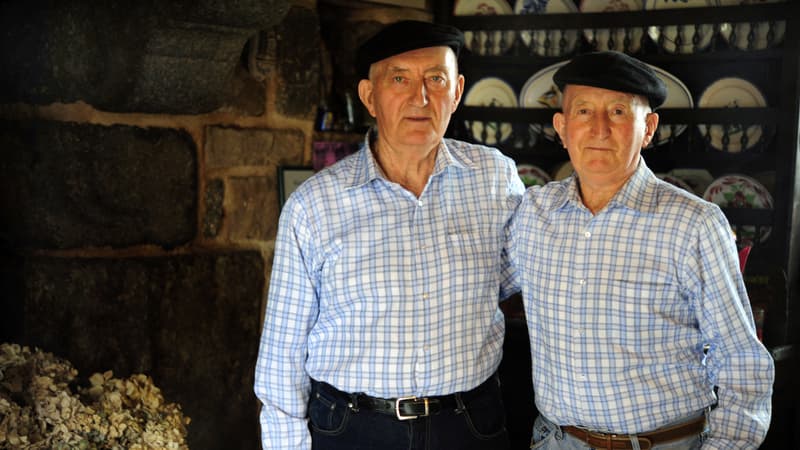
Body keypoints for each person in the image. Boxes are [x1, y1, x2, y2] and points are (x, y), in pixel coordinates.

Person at [254, 20, 524, 450]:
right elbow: (281, 355)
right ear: (369, 97)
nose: (421, 98)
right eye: (400, 79)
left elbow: (530, 275)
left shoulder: (494, 178)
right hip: (353, 428)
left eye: (436, 79)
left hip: (468, 424)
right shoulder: (314, 205)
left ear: (456, 92)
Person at [509, 51, 775, 449]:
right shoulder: (533, 213)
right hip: (555, 441)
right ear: (561, 128)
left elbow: (742, 363)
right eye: (583, 111)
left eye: (618, 112)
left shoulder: (693, 224)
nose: (599, 129)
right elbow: (477, 283)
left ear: (648, 128)